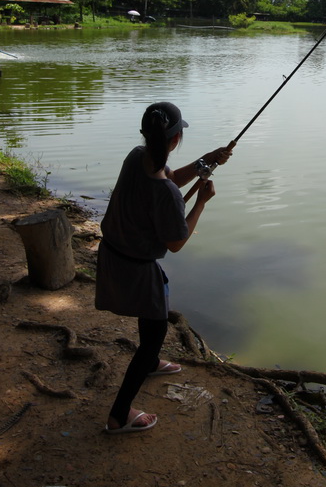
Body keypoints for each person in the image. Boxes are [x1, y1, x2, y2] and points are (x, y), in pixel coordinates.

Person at [95, 101, 232, 434]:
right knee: (155, 332)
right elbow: (175, 242)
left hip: (113, 254)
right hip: (137, 268)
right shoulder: (167, 193)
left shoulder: (135, 157)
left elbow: (168, 176)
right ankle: (119, 414)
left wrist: (207, 160)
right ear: (174, 140)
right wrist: (201, 201)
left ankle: (152, 362)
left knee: (151, 323)